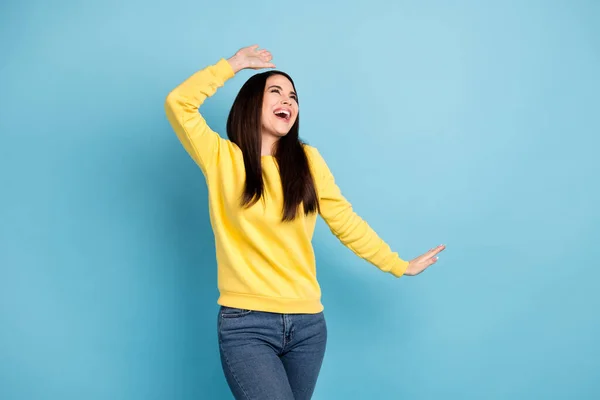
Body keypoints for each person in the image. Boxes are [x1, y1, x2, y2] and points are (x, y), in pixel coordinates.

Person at [164, 45, 446, 400]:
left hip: (308, 326)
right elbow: (179, 103)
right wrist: (233, 65)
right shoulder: (222, 159)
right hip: (247, 323)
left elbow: (344, 220)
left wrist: (397, 264)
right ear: (252, 103)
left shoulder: (308, 161)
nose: (289, 101)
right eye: (276, 92)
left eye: (294, 96)